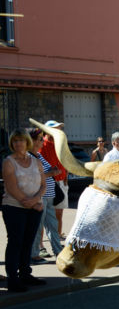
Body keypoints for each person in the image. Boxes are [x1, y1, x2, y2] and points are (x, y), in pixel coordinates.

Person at [2, 128, 47, 292]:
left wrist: (35, 201)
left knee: (28, 242)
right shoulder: (8, 162)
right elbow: (11, 187)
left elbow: (43, 184)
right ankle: (13, 279)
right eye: (15, 141)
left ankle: (25, 274)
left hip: (35, 208)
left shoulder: (36, 161)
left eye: (21, 140)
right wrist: (31, 203)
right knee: (16, 242)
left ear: (27, 142)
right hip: (14, 207)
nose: (18, 143)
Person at [28, 128, 64, 262]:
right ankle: (34, 254)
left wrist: (53, 170)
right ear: (32, 141)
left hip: (49, 195)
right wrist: (51, 173)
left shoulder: (39, 155)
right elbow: (32, 176)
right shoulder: (29, 156)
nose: (42, 141)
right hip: (39, 196)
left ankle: (58, 251)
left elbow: (46, 170)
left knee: (52, 225)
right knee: (38, 226)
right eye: (39, 139)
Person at [40, 120, 69, 238]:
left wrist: (66, 176)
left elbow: (65, 160)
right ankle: (40, 243)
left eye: (60, 128)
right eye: (56, 128)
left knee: (59, 212)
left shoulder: (60, 143)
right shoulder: (42, 144)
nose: (59, 130)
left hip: (62, 181)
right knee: (44, 214)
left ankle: (57, 236)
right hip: (49, 182)